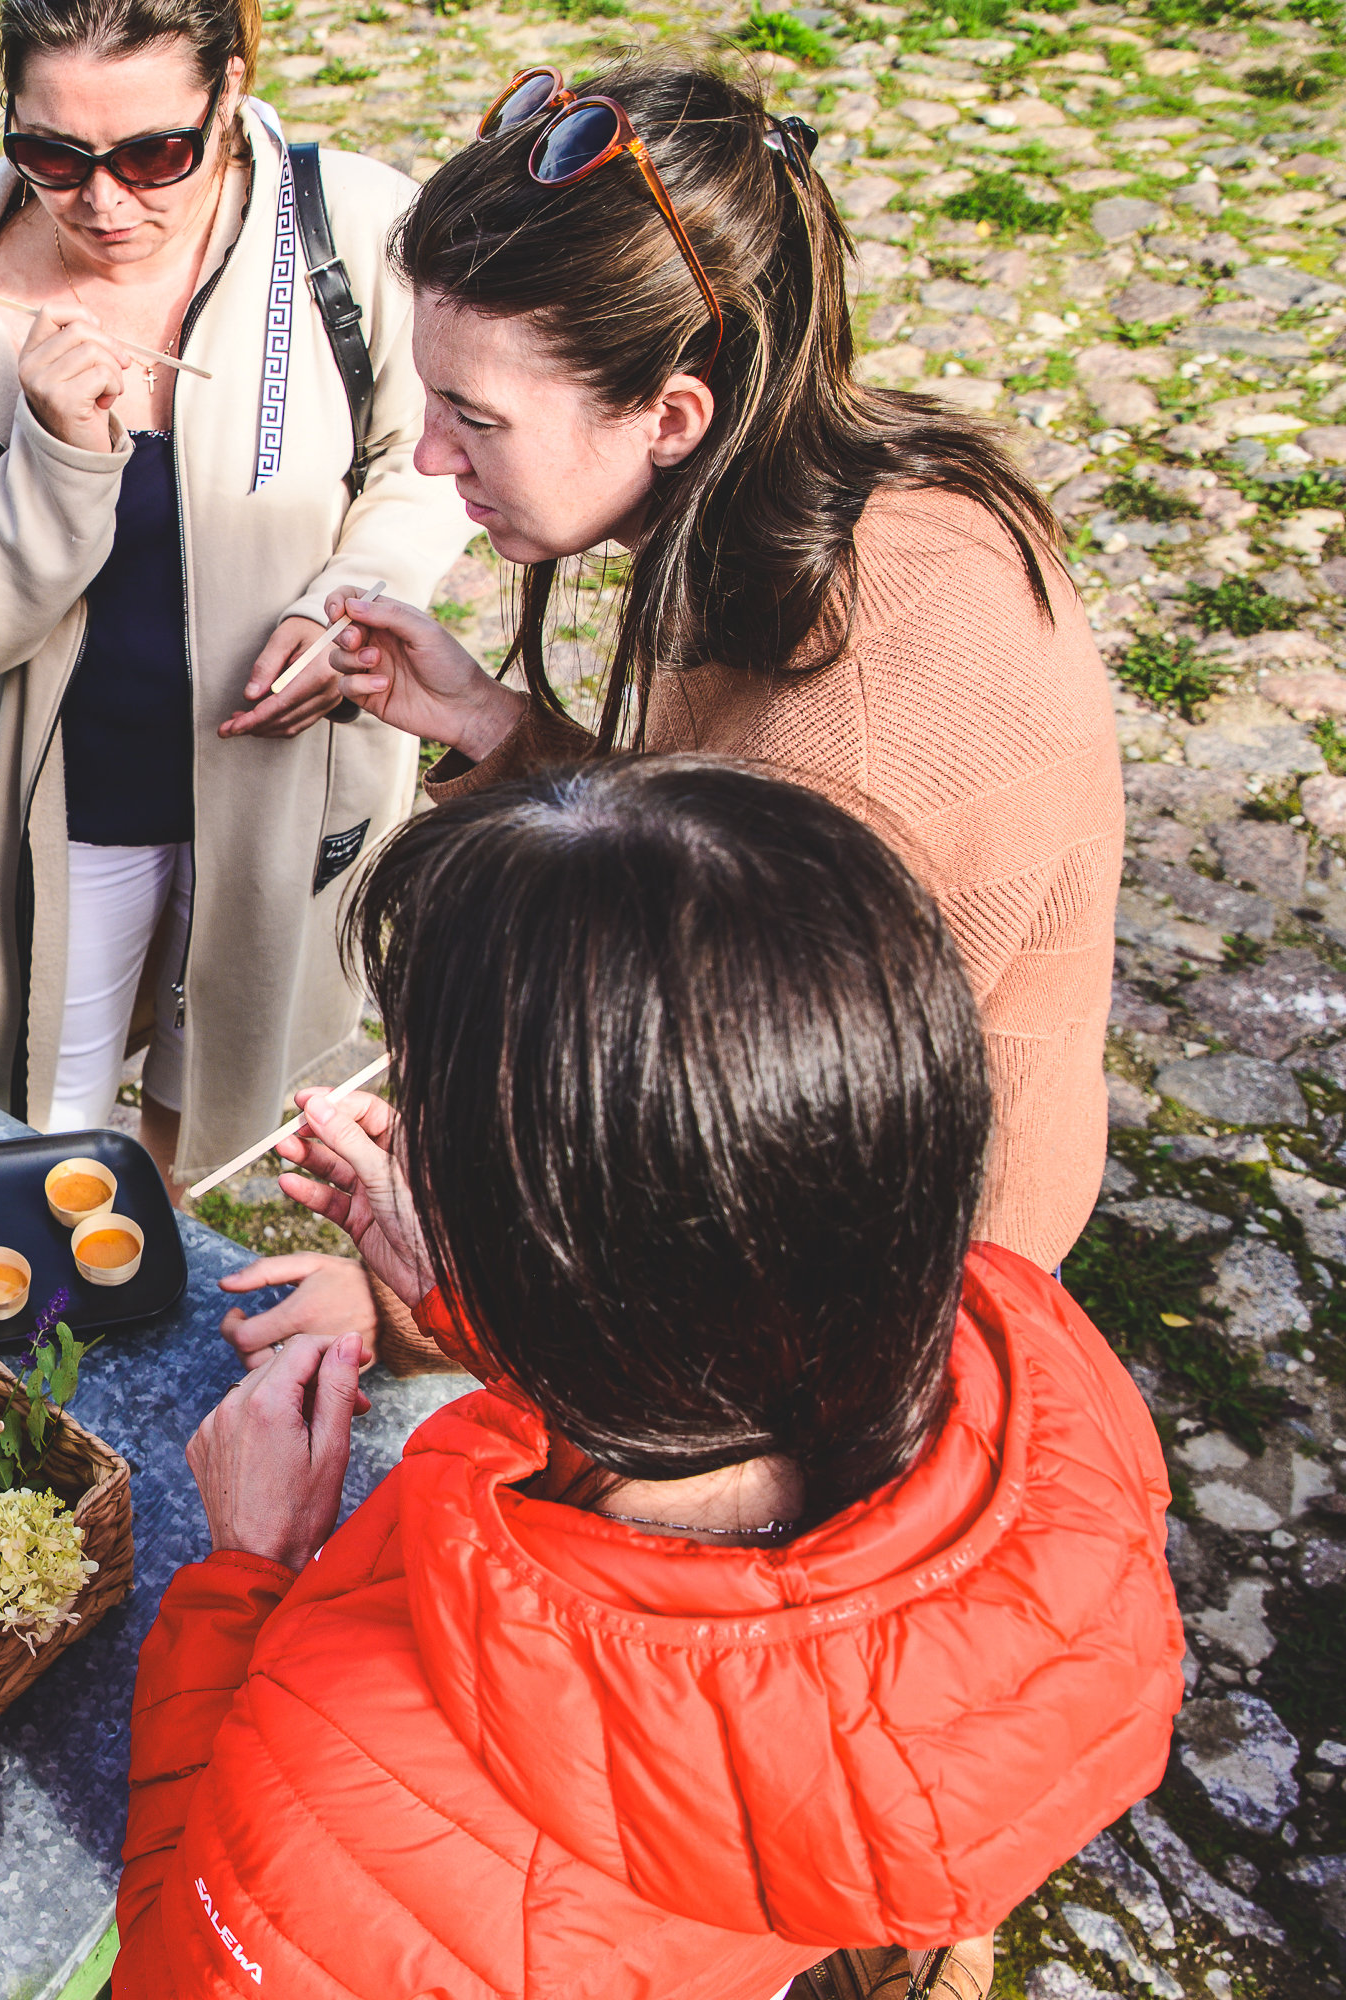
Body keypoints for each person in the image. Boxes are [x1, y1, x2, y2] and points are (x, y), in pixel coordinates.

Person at [114, 758, 1182, 1997]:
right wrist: (497, 1305)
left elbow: (173, 1953)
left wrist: (245, 1569)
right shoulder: (1038, 1396)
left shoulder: (341, 1788)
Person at [306, 56, 1118, 1269]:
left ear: (673, 414)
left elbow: (704, 1201)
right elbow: (707, 813)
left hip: (876, 1295)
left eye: (475, 417)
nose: (428, 457)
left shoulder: (857, 750)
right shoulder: (789, 499)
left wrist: (436, 1268)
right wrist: (499, 727)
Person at [0, 0, 470, 1185]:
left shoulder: (349, 232)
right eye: (52, 157)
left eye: (154, 155)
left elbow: (423, 462)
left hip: (282, 776)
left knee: (221, 1074)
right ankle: (60, 1316)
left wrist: (352, 595)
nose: (105, 201)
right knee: (44, 1120)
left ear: (232, 89)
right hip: (64, 806)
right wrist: (58, 459)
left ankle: (163, 1238)